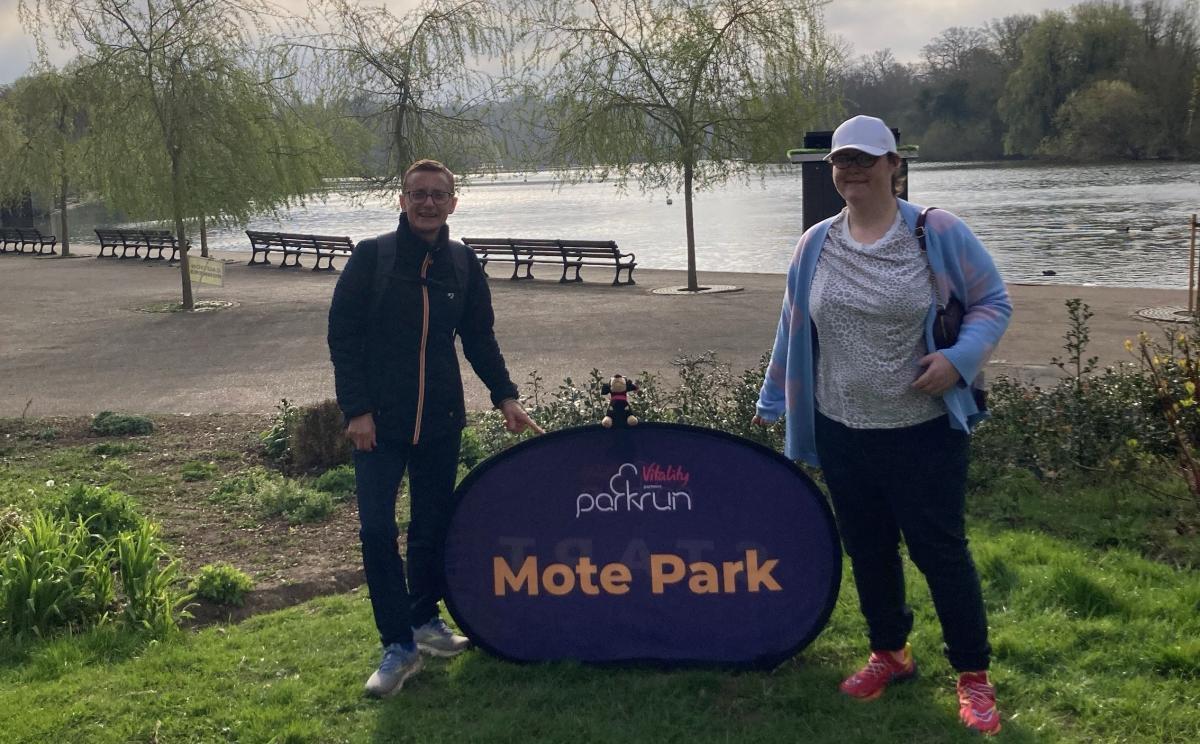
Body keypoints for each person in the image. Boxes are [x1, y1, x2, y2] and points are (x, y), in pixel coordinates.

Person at [753, 115, 1011, 735]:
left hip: (923, 430)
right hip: (843, 429)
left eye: (866, 159)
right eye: (842, 160)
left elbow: (992, 302)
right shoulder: (815, 242)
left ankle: (973, 676)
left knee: (940, 552)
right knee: (868, 549)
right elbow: (793, 327)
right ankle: (889, 654)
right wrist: (773, 400)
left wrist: (957, 359)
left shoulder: (935, 231)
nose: (852, 170)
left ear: (895, 164)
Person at [328, 158, 543, 698]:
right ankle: (397, 646)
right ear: (402, 200)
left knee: (430, 527)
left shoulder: (463, 264)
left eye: (437, 195)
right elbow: (343, 338)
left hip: (441, 421)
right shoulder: (372, 258)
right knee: (378, 530)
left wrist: (505, 396)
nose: (427, 203)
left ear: (453, 202)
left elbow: (479, 338)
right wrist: (356, 409)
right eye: (417, 194)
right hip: (378, 424)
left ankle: (424, 622)